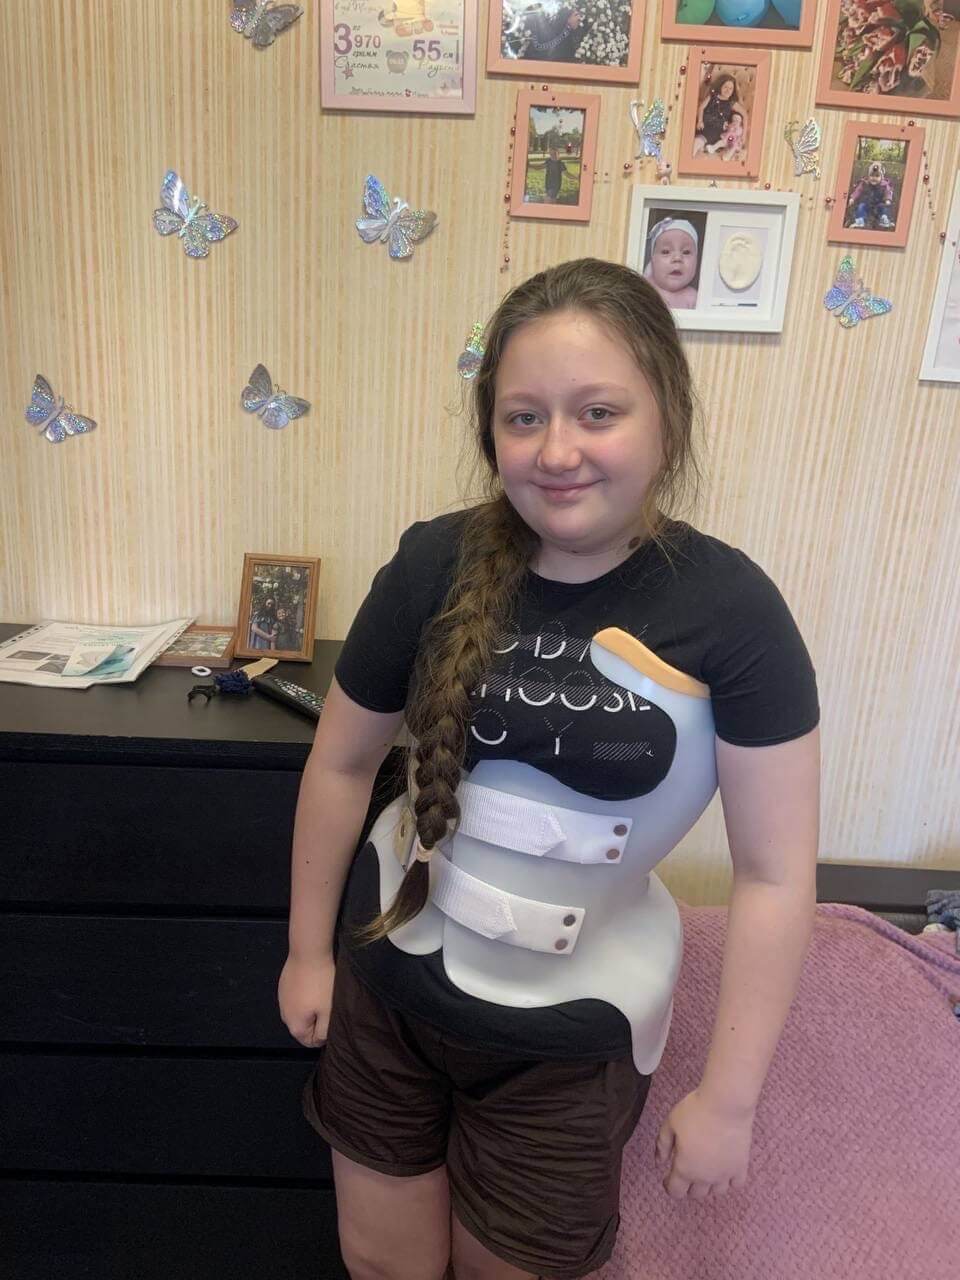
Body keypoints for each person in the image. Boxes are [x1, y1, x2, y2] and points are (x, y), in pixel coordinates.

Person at [279, 257, 820, 1280]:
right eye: (523, 418)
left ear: (667, 417)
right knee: (381, 1263)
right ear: (491, 433)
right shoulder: (431, 565)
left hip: (573, 1040)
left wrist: (730, 1097)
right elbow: (341, 763)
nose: (558, 450)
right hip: (389, 997)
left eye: (598, 412)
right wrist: (309, 951)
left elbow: (776, 874)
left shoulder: (735, 612)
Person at [643, 217, 699, 310]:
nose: (677, 258)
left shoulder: (693, 298)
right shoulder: (645, 290)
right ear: (652, 260)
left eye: (686, 252)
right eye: (666, 252)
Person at [693, 73, 748, 157]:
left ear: (733, 91)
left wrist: (744, 136)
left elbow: (745, 115)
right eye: (725, 87)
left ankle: (703, 145)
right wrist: (700, 120)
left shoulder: (731, 103)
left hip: (716, 130)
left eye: (731, 88)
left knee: (697, 142)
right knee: (694, 140)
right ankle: (702, 147)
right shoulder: (712, 96)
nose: (728, 90)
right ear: (720, 86)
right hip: (703, 125)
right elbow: (701, 108)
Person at [846, 160, 895, 229]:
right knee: (861, 206)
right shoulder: (864, 183)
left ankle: (884, 219)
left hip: (879, 203)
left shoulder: (884, 185)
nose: (874, 178)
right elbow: (858, 190)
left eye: (877, 176)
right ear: (868, 176)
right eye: (872, 175)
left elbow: (888, 192)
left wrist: (888, 199)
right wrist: (853, 198)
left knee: (884, 207)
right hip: (867, 203)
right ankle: (860, 220)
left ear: (881, 178)